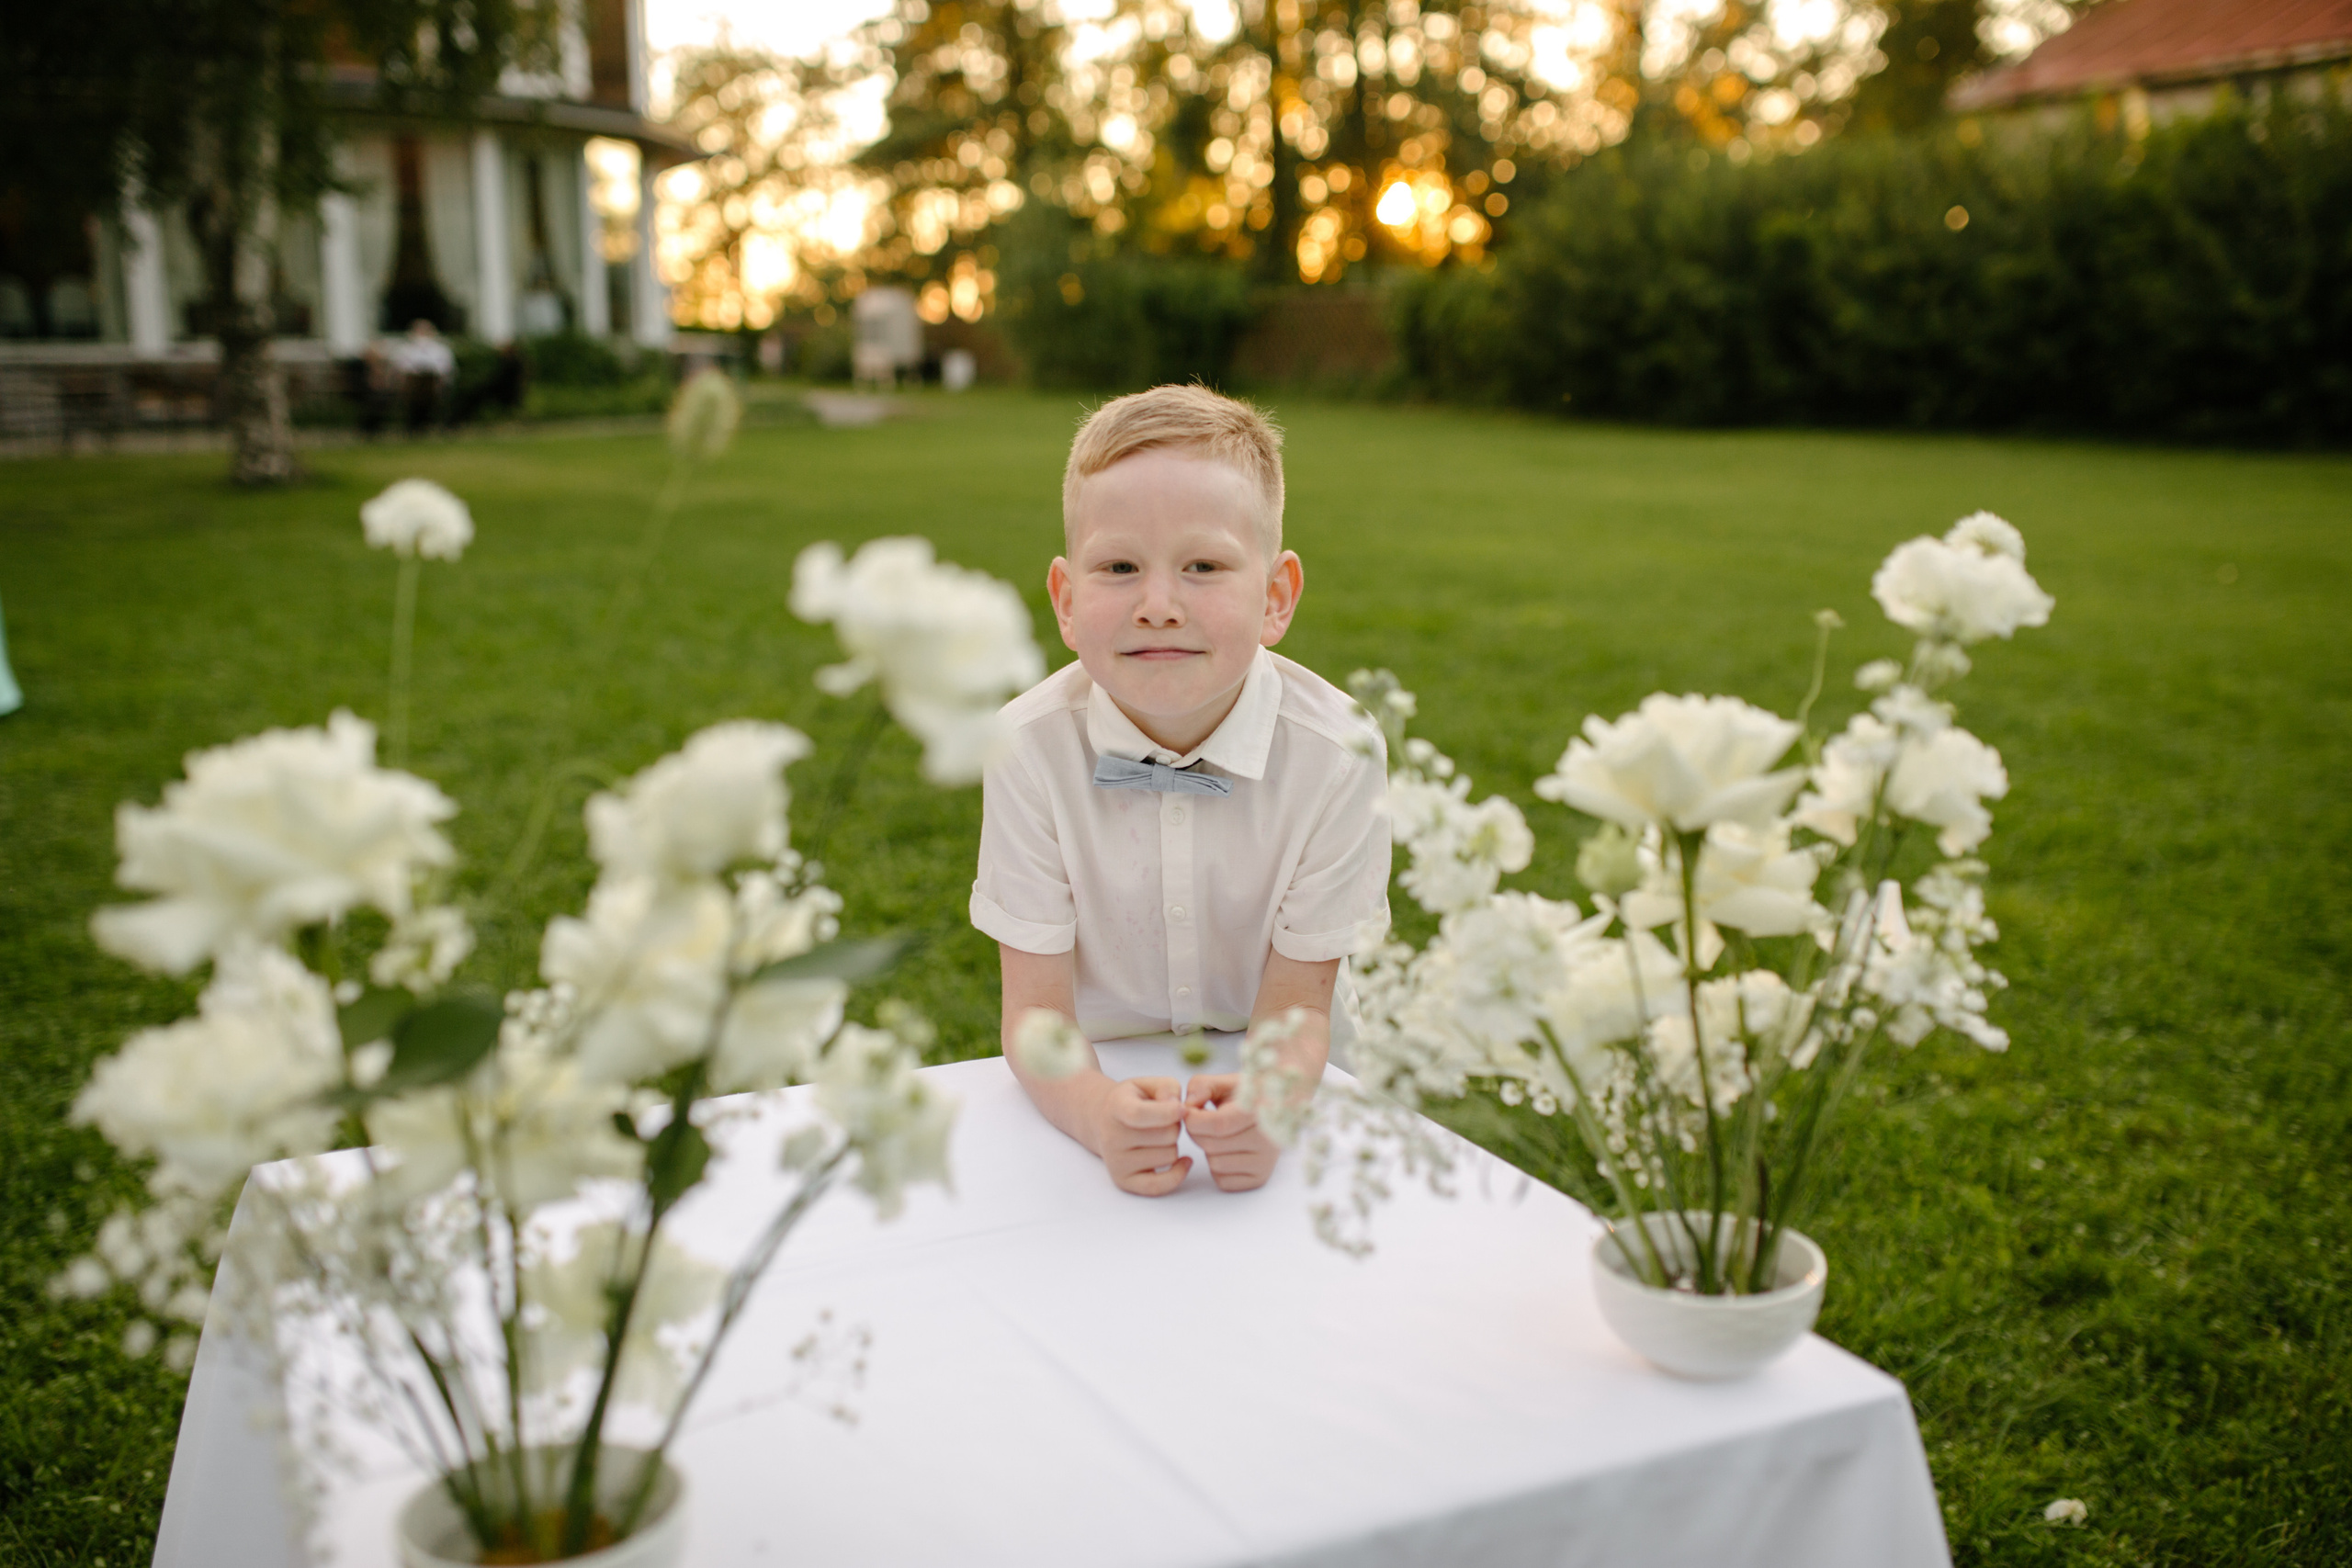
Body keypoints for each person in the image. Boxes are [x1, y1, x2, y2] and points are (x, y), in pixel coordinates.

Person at [973, 385, 1390, 1197]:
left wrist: (1271, 1103)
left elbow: (1301, 1005)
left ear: (1275, 597)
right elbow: (1036, 1013)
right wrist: (1096, 1111)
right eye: (1119, 567)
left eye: (1202, 567)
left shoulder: (1340, 753)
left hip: (1299, 1071)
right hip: (1099, 1070)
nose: (1158, 606)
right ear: (1066, 601)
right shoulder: (1025, 748)